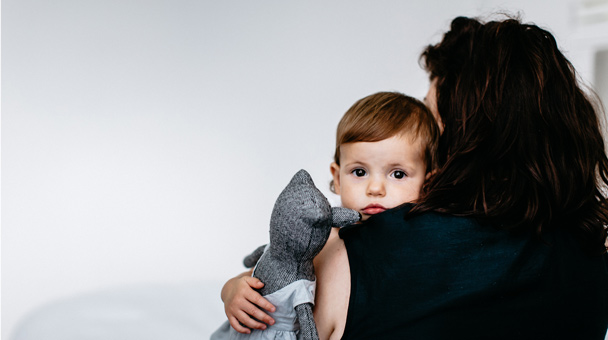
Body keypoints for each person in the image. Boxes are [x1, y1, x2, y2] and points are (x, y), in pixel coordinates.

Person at [223, 15, 608, 339]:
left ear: (463, 132)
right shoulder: (591, 263)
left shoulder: (349, 251)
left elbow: (264, 319)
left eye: (430, 115)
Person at [219, 91, 440, 338]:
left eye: (397, 174)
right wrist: (231, 291)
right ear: (337, 176)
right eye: (359, 172)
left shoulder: (424, 242)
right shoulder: (322, 235)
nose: (375, 188)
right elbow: (271, 270)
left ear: (428, 183)